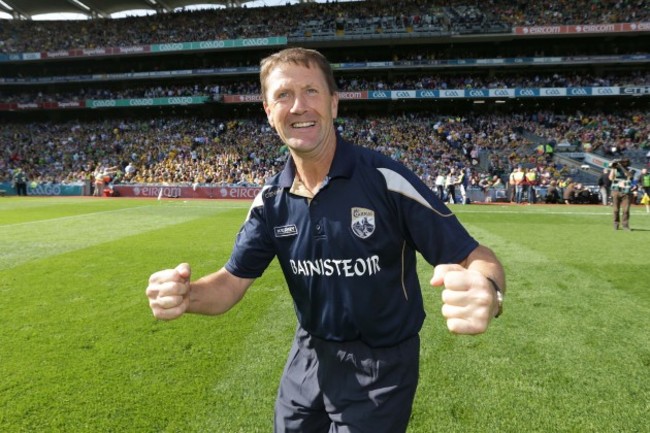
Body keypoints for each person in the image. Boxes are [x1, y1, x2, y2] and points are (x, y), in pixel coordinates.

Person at [146, 47, 506, 433]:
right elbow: (230, 283)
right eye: (283, 95)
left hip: (380, 367)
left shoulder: (386, 180)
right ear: (269, 113)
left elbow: (475, 256)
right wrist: (187, 296)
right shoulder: (271, 201)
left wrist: (488, 290)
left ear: (334, 104)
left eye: (311, 92)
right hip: (309, 354)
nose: (299, 106)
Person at [609, 159, 633, 230]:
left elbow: (628, 175)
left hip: (626, 191)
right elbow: (611, 178)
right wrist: (613, 168)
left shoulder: (630, 169)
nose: (622, 163)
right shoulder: (615, 169)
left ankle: (625, 225)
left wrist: (621, 167)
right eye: (622, 162)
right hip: (616, 190)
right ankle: (616, 224)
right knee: (616, 209)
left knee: (626, 210)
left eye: (624, 162)